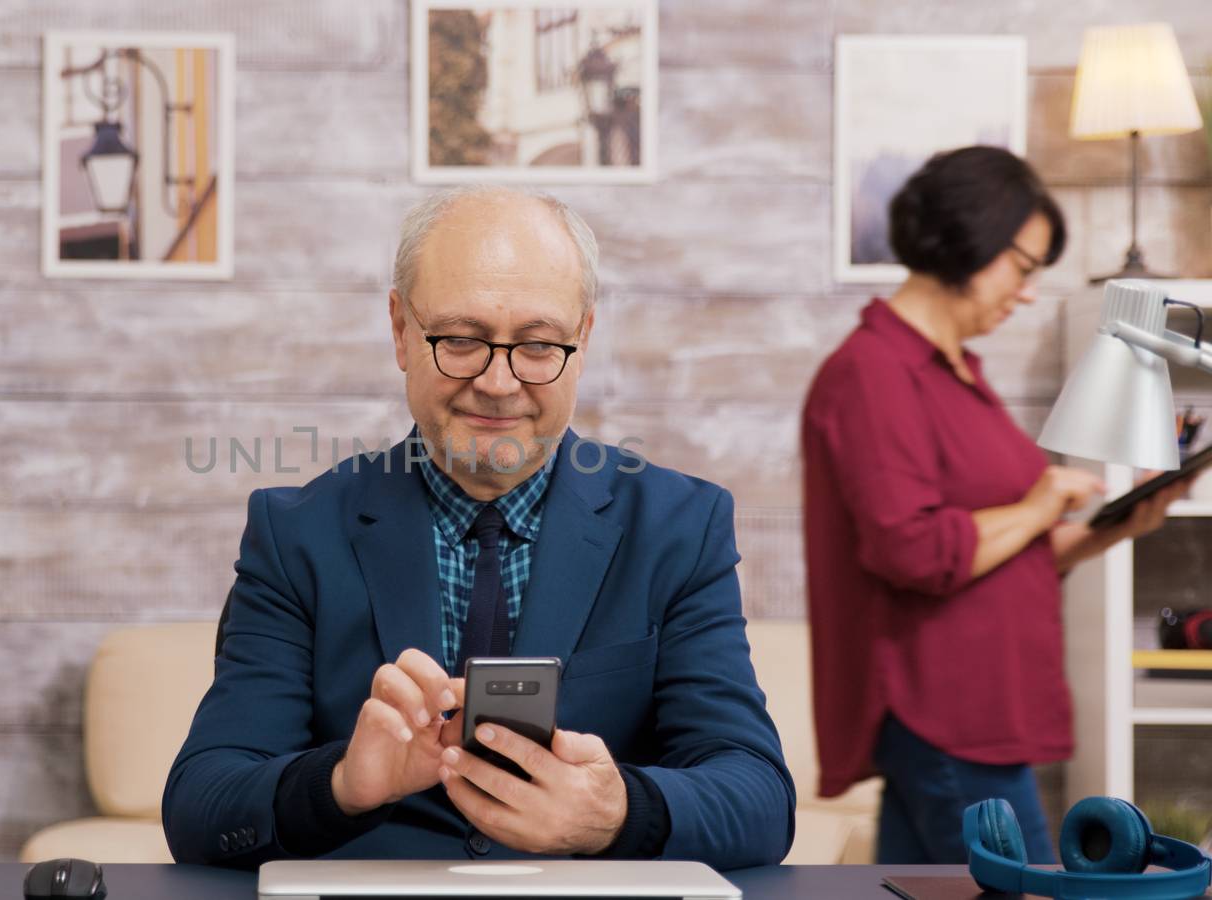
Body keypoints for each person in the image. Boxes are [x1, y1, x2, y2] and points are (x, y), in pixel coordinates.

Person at [164, 185, 794, 868]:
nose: (498, 383)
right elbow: (202, 802)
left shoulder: (679, 528)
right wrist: (341, 785)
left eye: (536, 345)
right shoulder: (296, 535)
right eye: (460, 340)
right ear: (401, 330)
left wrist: (618, 813)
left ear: (581, 338)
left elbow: (757, 796)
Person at [801, 146, 1194, 865]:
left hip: (978, 711)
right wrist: (1044, 501)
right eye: (1022, 267)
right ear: (966, 239)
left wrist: (1113, 528)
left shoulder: (957, 373)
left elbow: (1002, 555)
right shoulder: (873, 374)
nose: (1027, 293)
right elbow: (911, 550)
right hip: (948, 713)